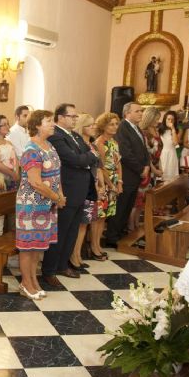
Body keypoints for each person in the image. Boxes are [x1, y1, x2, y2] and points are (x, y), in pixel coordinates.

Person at [42, 103, 99, 284]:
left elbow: (88, 154)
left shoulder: (74, 135)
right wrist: (88, 157)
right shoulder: (56, 137)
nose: (75, 119)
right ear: (60, 117)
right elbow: (75, 159)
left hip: (80, 190)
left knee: (72, 231)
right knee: (60, 231)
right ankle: (49, 270)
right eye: (72, 116)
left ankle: (62, 264)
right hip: (66, 190)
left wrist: (87, 157)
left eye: (76, 117)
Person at [16, 110, 64, 299]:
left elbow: (56, 174)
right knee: (28, 246)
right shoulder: (31, 150)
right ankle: (26, 283)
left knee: (38, 245)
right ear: (37, 125)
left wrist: (60, 194)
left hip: (47, 204)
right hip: (31, 205)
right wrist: (57, 197)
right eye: (49, 121)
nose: (53, 124)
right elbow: (35, 182)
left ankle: (33, 280)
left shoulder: (49, 145)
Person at [104, 102, 150, 248]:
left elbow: (144, 149)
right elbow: (125, 152)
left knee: (128, 205)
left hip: (136, 174)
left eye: (141, 111)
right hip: (127, 174)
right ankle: (112, 236)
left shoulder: (137, 128)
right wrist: (140, 168)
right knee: (121, 206)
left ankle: (120, 232)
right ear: (127, 113)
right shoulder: (123, 127)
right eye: (137, 111)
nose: (141, 113)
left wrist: (147, 165)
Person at [69, 113, 106, 268]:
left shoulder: (93, 145)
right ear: (81, 127)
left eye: (93, 125)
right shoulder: (76, 144)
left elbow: (98, 167)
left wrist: (101, 186)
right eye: (90, 125)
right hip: (82, 186)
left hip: (93, 186)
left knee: (85, 223)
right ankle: (73, 256)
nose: (94, 127)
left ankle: (78, 255)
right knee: (78, 223)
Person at [129, 107, 162, 231]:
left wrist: (159, 168)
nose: (158, 121)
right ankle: (131, 225)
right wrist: (153, 169)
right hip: (146, 168)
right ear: (150, 118)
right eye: (156, 118)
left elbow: (158, 152)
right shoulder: (144, 132)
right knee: (137, 200)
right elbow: (146, 155)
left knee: (143, 201)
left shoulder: (156, 131)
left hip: (154, 167)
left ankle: (137, 223)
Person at [94, 113, 122, 257]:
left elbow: (118, 163)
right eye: (111, 124)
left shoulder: (114, 142)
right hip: (103, 182)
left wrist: (120, 182)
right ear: (103, 126)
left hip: (114, 181)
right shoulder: (100, 143)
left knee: (105, 216)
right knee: (99, 215)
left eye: (116, 124)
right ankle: (94, 247)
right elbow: (101, 167)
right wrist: (110, 184)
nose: (115, 126)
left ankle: (98, 244)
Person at [158, 110, 180, 182]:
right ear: (165, 119)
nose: (170, 121)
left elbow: (175, 143)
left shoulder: (176, 130)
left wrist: (173, 129)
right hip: (162, 153)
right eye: (168, 119)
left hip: (172, 154)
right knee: (162, 176)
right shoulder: (160, 129)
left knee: (171, 177)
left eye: (172, 120)